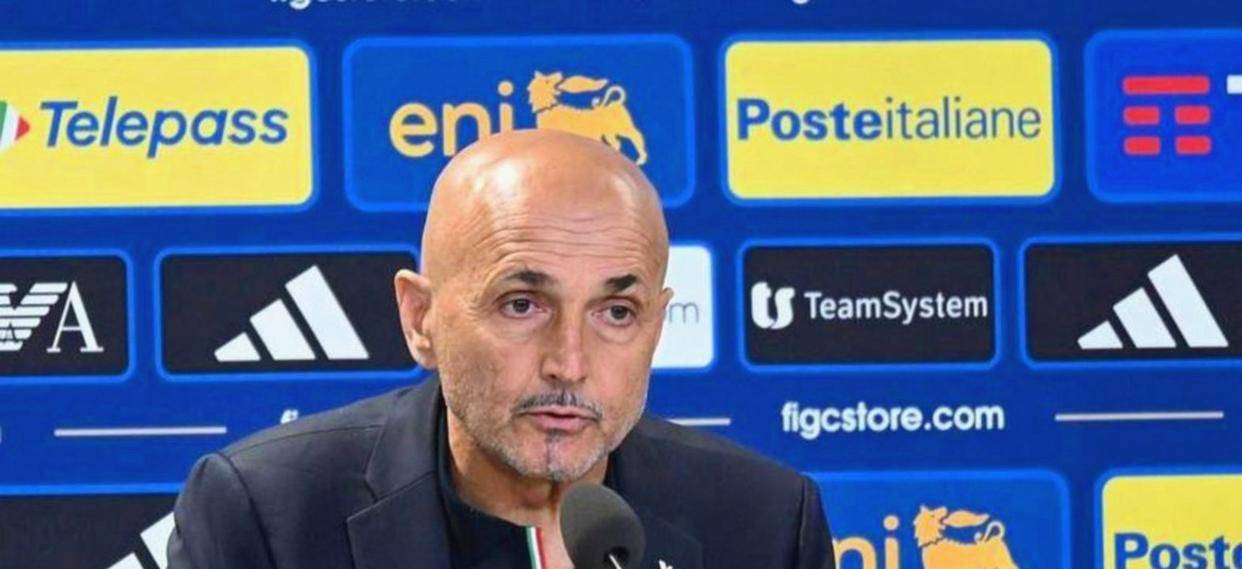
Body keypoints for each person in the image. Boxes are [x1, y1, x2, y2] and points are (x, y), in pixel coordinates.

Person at [167, 129, 835, 569]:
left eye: (615, 312)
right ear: (421, 318)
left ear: (656, 327)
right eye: (522, 304)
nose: (569, 362)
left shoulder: (765, 523)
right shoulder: (269, 514)